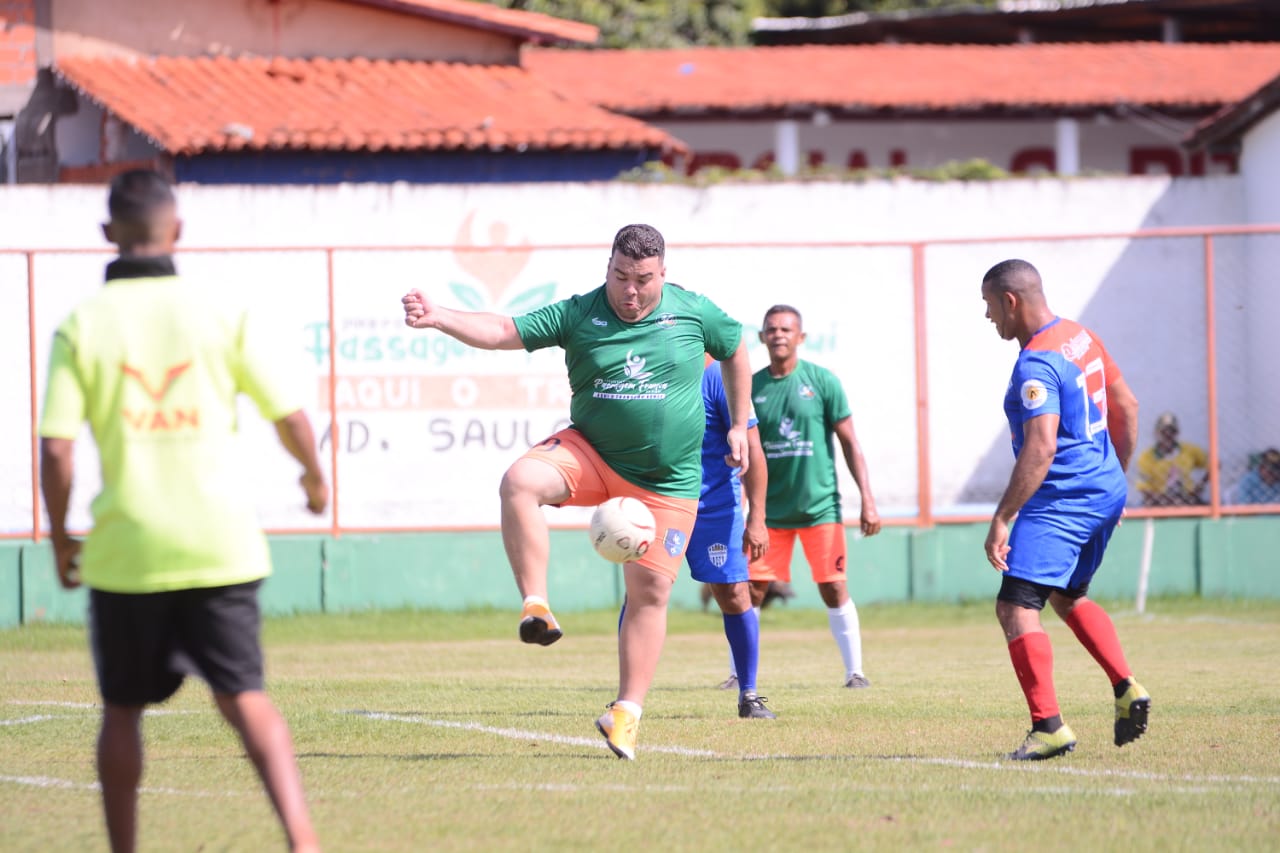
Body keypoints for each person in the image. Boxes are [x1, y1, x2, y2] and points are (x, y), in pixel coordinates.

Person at [38, 170, 327, 851]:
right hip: (219, 542)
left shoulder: (82, 323)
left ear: (109, 234)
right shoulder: (219, 311)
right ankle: (304, 840)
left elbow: (56, 451)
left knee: (121, 710)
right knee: (245, 695)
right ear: (179, 230)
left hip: (126, 549)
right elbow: (289, 414)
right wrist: (315, 477)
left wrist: (58, 540)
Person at [402, 224, 751, 760]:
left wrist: (738, 421)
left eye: (643, 280)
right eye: (620, 277)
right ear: (606, 266)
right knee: (519, 481)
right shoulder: (579, 313)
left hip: (667, 479)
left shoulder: (694, 312)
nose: (630, 291)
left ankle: (625, 715)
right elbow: (502, 330)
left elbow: (735, 349)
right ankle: (536, 605)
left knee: (650, 594)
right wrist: (440, 316)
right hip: (591, 453)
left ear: (663, 273)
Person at [980, 258, 1150, 761]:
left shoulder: (1036, 363)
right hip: (1102, 487)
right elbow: (1128, 405)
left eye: (989, 306)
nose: (988, 317)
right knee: (1067, 594)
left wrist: (1003, 516)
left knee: (1016, 605)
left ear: (1010, 301)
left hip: (1063, 497)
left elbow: (1041, 447)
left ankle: (1048, 727)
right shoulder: (1078, 336)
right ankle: (1126, 687)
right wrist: (1113, 477)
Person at [741, 304, 881, 690]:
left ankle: (855, 672)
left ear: (801, 337)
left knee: (833, 586)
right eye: (771, 329)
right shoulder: (751, 388)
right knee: (751, 590)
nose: (779, 335)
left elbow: (851, 443)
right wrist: (743, 509)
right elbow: (741, 453)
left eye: (787, 329)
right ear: (761, 337)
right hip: (768, 514)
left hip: (820, 509)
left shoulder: (822, 382)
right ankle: (742, 673)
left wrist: (867, 499)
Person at [689, 358, 775, 719]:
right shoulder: (648, 371)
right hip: (658, 502)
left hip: (715, 505)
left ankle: (749, 693)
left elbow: (753, 449)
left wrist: (757, 516)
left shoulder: (718, 377)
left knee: (735, 593)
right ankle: (628, 700)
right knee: (643, 591)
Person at [1135, 411, 1209, 506]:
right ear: (1157, 433)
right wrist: (1166, 501)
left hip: (1187, 498)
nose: (1168, 435)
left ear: (1176, 433)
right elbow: (1144, 488)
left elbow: (1214, 464)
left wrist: (1199, 488)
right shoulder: (1147, 457)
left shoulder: (1188, 450)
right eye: (1164, 432)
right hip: (1160, 501)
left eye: (1171, 431)